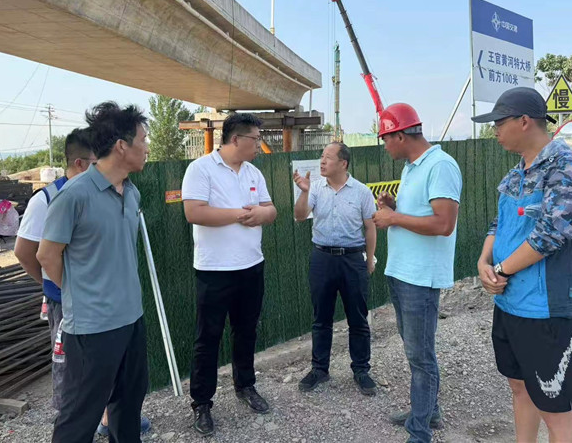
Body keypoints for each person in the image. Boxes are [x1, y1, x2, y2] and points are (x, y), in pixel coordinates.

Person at [472, 87, 572, 443]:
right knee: (520, 387)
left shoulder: (564, 166)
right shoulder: (517, 173)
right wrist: (484, 261)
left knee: (555, 411)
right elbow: (499, 223)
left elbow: (551, 233)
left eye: (499, 122)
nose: (494, 130)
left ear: (524, 121)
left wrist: (502, 270)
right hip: (510, 303)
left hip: (545, 310)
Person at [14, 127, 150, 437]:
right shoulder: (73, 195)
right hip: (92, 325)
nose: (146, 147)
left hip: (131, 318)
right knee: (81, 413)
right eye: (142, 140)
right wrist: (78, 291)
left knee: (128, 404)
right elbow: (45, 255)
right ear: (121, 146)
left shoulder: (131, 192)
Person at [182, 113, 278, 437]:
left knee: (246, 331)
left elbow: (271, 210)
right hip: (214, 270)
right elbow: (194, 212)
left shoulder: (253, 172)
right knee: (207, 338)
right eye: (255, 139)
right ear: (236, 139)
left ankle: (245, 385)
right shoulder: (201, 169)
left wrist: (263, 213)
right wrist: (240, 214)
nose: (259, 145)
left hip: (251, 265)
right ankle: (202, 403)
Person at [372, 103, 462, 443]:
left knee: (420, 355)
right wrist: (395, 208)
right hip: (402, 272)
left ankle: (420, 431)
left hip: (421, 278)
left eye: (385, 138)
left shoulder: (441, 166)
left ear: (400, 135)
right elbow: (422, 214)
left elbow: (443, 223)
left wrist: (393, 218)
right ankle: (428, 411)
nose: (385, 145)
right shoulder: (412, 168)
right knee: (415, 349)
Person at [293, 142, 378, 395]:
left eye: (328, 157)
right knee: (321, 318)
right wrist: (303, 192)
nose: (322, 161)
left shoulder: (361, 191)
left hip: (353, 260)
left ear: (343, 163)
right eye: (321, 156)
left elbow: (370, 227)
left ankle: (361, 370)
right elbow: (299, 216)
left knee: (358, 318)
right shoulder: (315, 188)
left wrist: (369, 260)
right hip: (322, 259)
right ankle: (319, 369)